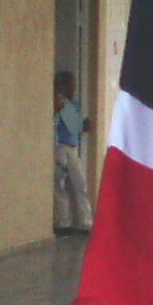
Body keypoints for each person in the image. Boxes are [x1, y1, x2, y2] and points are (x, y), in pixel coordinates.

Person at [53, 70, 93, 236]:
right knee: (60, 185)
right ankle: (64, 222)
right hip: (60, 147)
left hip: (72, 147)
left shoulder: (73, 105)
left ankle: (85, 222)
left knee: (79, 184)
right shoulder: (58, 103)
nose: (73, 88)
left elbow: (79, 126)